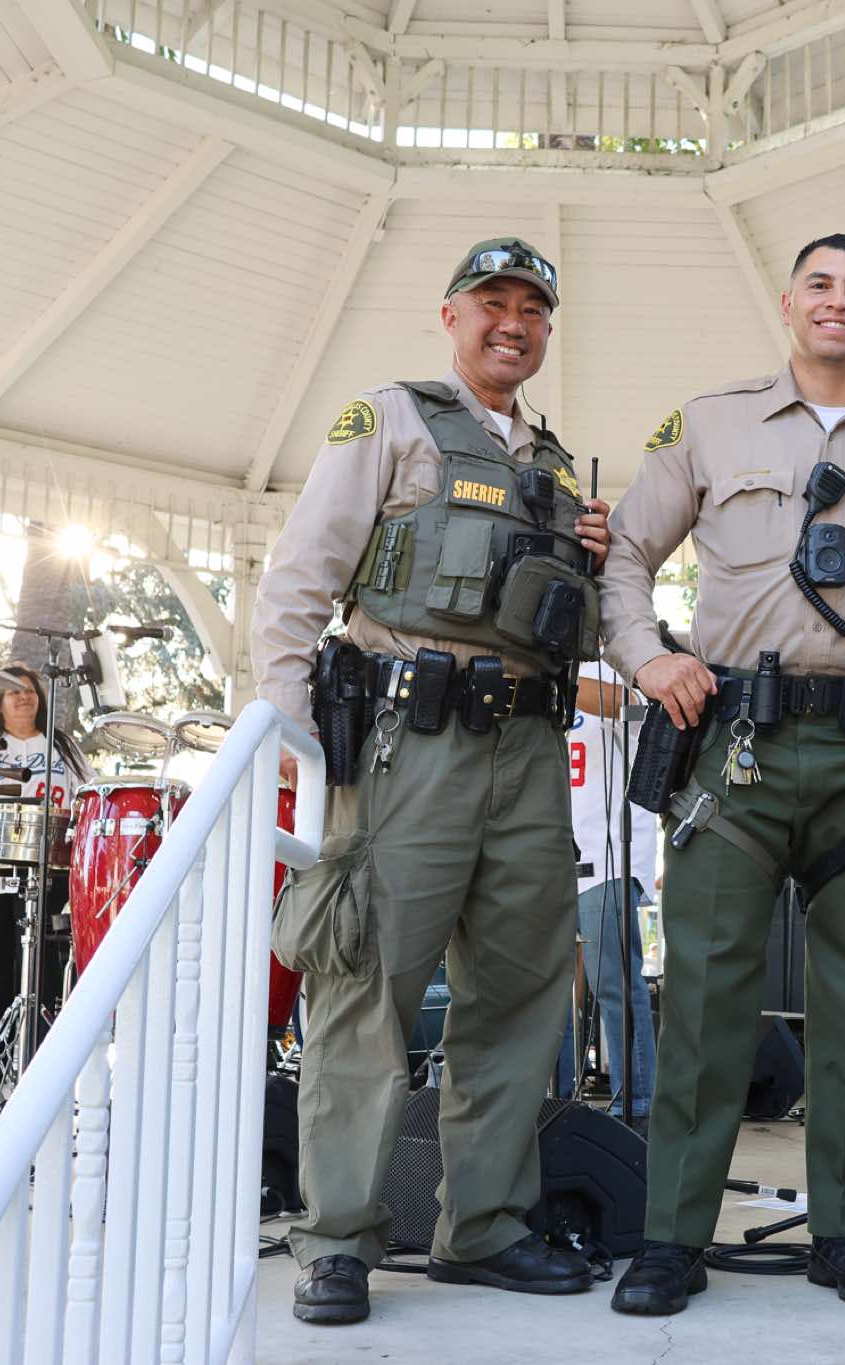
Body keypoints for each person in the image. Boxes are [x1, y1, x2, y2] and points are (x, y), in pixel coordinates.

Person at [601, 232, 845, 1316]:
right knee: (705, 996)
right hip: (735, 747)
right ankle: (673, 1238)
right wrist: (648, 656)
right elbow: (624, 555)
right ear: (789, 303)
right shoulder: (709, 422)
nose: (837, 301)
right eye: (820, 284)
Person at [250, 237, 612, 1326]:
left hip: (530, 751)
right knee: (367, 991)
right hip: (409, 743)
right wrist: (300, 738)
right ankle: (337, 1240)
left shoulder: (557, 468)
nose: (514, 323)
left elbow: (572, 624)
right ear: (452, 315)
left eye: (533, 310)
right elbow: (300, 576)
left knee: (517, 998)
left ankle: (483, 1227)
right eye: (492, 303)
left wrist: (592, 560)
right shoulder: (391, 419)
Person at [0, 665, 89, 1049]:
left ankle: (38, 1050)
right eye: (14, 691)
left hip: (47, 866)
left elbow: (88, 792)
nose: (25, 697)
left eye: (30, 690)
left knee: (40, 959)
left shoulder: (60, 744)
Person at [555, 658, 658, 1133]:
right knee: (546, 991)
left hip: (607, 855)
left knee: (613, 983)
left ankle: (636, 1106)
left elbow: (634, 710)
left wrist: (551, 670)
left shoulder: (619, 666)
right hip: (549, 855)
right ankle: (553, 1102)